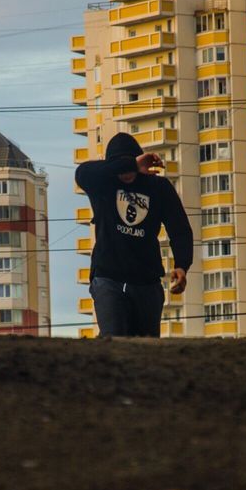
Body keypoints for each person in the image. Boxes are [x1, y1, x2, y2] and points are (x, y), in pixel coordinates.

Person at [75, 132, 193, 337]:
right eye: (121, 167)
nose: (127, 174)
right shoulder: (102, 184)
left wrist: (182, 264)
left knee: (146, 346)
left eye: (130, 168)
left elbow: (179, 228)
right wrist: (128, 164)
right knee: (113, 339)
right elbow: (82, 173)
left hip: (146, 281)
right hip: (108, 278)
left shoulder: (158, 187)